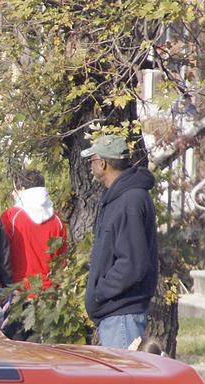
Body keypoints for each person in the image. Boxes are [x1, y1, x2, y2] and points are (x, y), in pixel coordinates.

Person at [81, 135, 158, 349]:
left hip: (122, 316)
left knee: (127, 381)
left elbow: (132, 263)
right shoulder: (117, 197)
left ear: (103, 163)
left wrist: (100, 292)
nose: (90, 166)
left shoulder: (129, 201)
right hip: (116, 314)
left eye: (92, 160)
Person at [0, 170, 67, 288]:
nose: (12, 194)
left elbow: (1, 254)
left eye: (15, 189)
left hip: (19, 291)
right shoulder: (57, 220)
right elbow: (62, 260)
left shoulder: (10, 217)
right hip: (50, 291)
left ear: (23, 189)